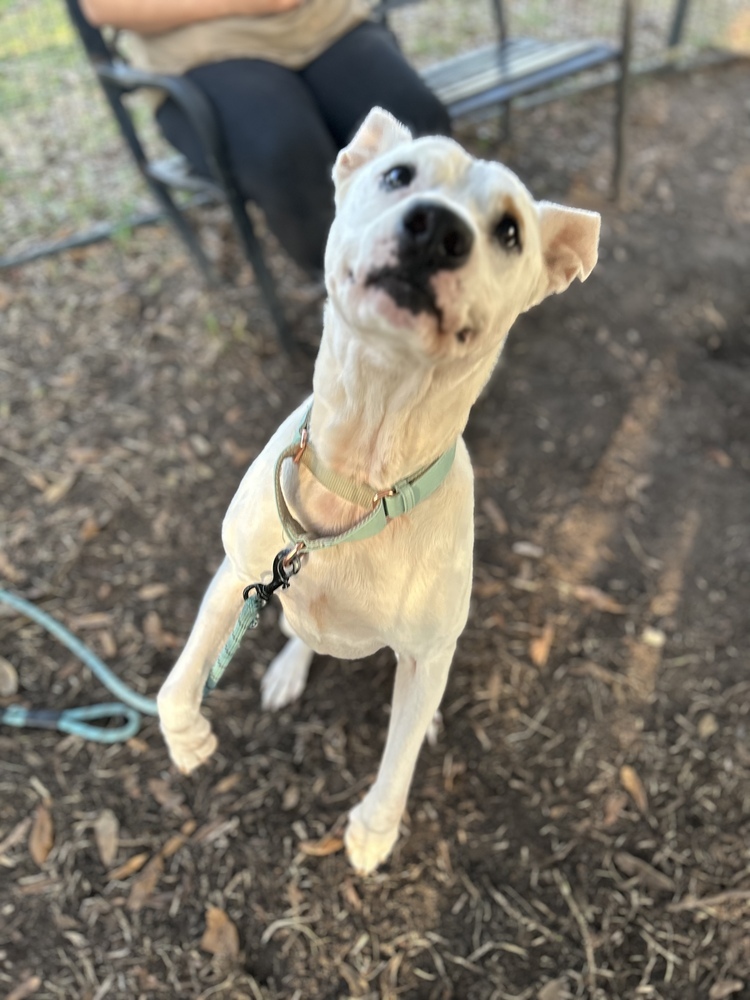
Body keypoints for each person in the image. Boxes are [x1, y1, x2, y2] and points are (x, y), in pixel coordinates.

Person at [80, 0, 451, 277]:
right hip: (199, 51)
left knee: (416, 123)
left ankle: (443, 266)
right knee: (288, 155)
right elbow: (103, 6)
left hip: (321, 23)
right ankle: (359, 290)